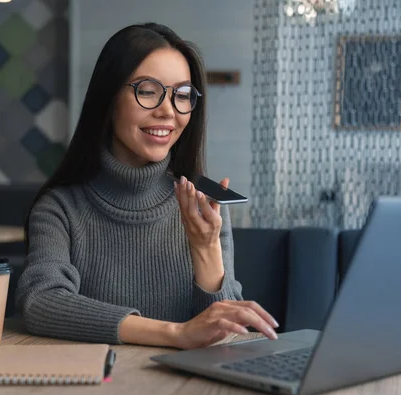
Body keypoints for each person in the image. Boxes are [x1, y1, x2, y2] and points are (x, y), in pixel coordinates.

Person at [15, 22, 278, 349]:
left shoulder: (203, 203)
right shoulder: (60, 209)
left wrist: (206, 247)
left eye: (181, 95)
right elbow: (40, 302)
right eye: (148, 91)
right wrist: (175, 334)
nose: (168, 111)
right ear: (109, 98)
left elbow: (223, 335)